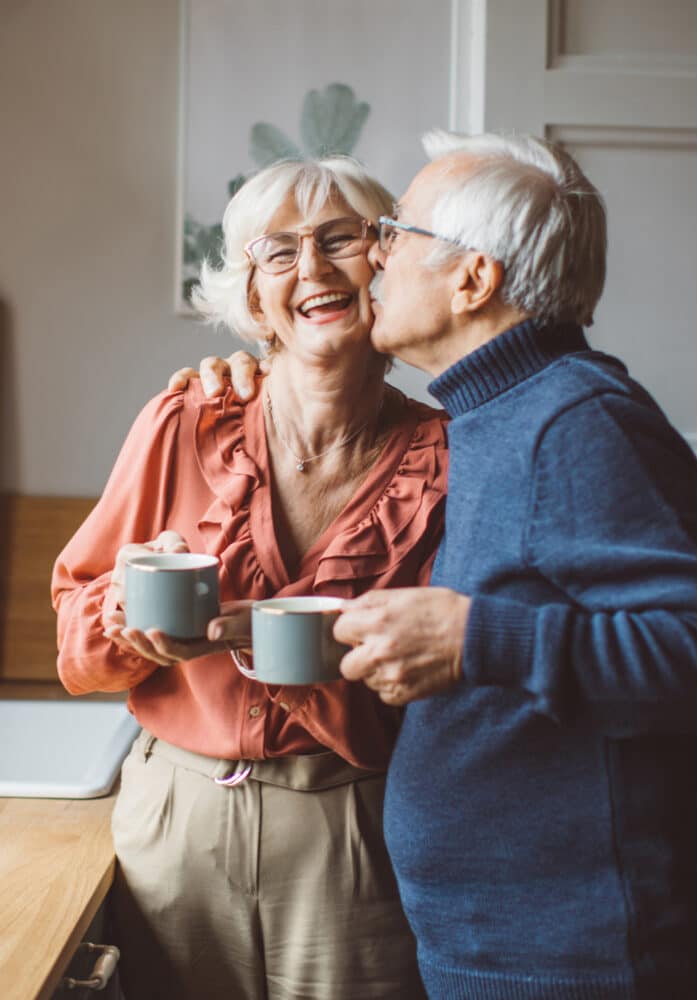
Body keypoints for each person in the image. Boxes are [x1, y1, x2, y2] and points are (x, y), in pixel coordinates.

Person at [187, 131, 697, 999]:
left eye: (397, 233)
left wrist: (474, 641)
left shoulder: (577, 420)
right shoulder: (491, 414)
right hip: (514, 948)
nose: (374, 255)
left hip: (591, 961)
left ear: (473, 278)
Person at [52, 155, 449, 1000]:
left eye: (340, 239)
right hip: (177, 814)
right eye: (278, 251)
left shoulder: (448, 460)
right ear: (255, 296)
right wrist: (127, 619)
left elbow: (451, 692)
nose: (311, 268)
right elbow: (74, 639)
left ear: (384, 263)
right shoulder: (183, 420)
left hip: (354, 823)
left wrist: (309, 660)